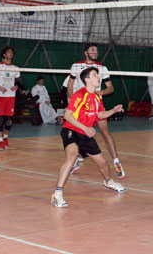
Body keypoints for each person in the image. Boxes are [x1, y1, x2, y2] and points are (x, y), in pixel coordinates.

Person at [51, 67, 125, 207]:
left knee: (102, 162)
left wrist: (113, 110)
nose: (98, 77)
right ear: (87, 79)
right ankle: (57, 194)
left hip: (86, 134)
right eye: (95, 75)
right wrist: (84, 127)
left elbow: (100, 115)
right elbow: (67, 116)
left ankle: (108, 182)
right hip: (71, 130)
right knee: (72, 156)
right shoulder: (79, 95)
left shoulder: (96, 97)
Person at [67, 43, 124, 178]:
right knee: (78, 133)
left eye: (96, 51)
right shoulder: (76, 66)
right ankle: (75, 160)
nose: (95, 53)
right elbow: (70, 85)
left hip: (96, 105)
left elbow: (110, 88)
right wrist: (71, 101)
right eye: (92, 50)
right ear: (86, 52)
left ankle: (116, 161)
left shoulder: (102, 68)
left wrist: (99, 93)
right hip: (80, 107)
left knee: (105, 132)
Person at [0, 46, 21, 151]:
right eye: (8, 52)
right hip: (0, 96)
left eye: (12, 52)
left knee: (9, 120)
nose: (11, 54)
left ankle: (6, 138)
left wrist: (16, 86)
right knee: (0, 120)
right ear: (4, 54)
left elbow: (18, 81)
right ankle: (0, 141)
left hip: (11, 97)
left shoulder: (16, 68)